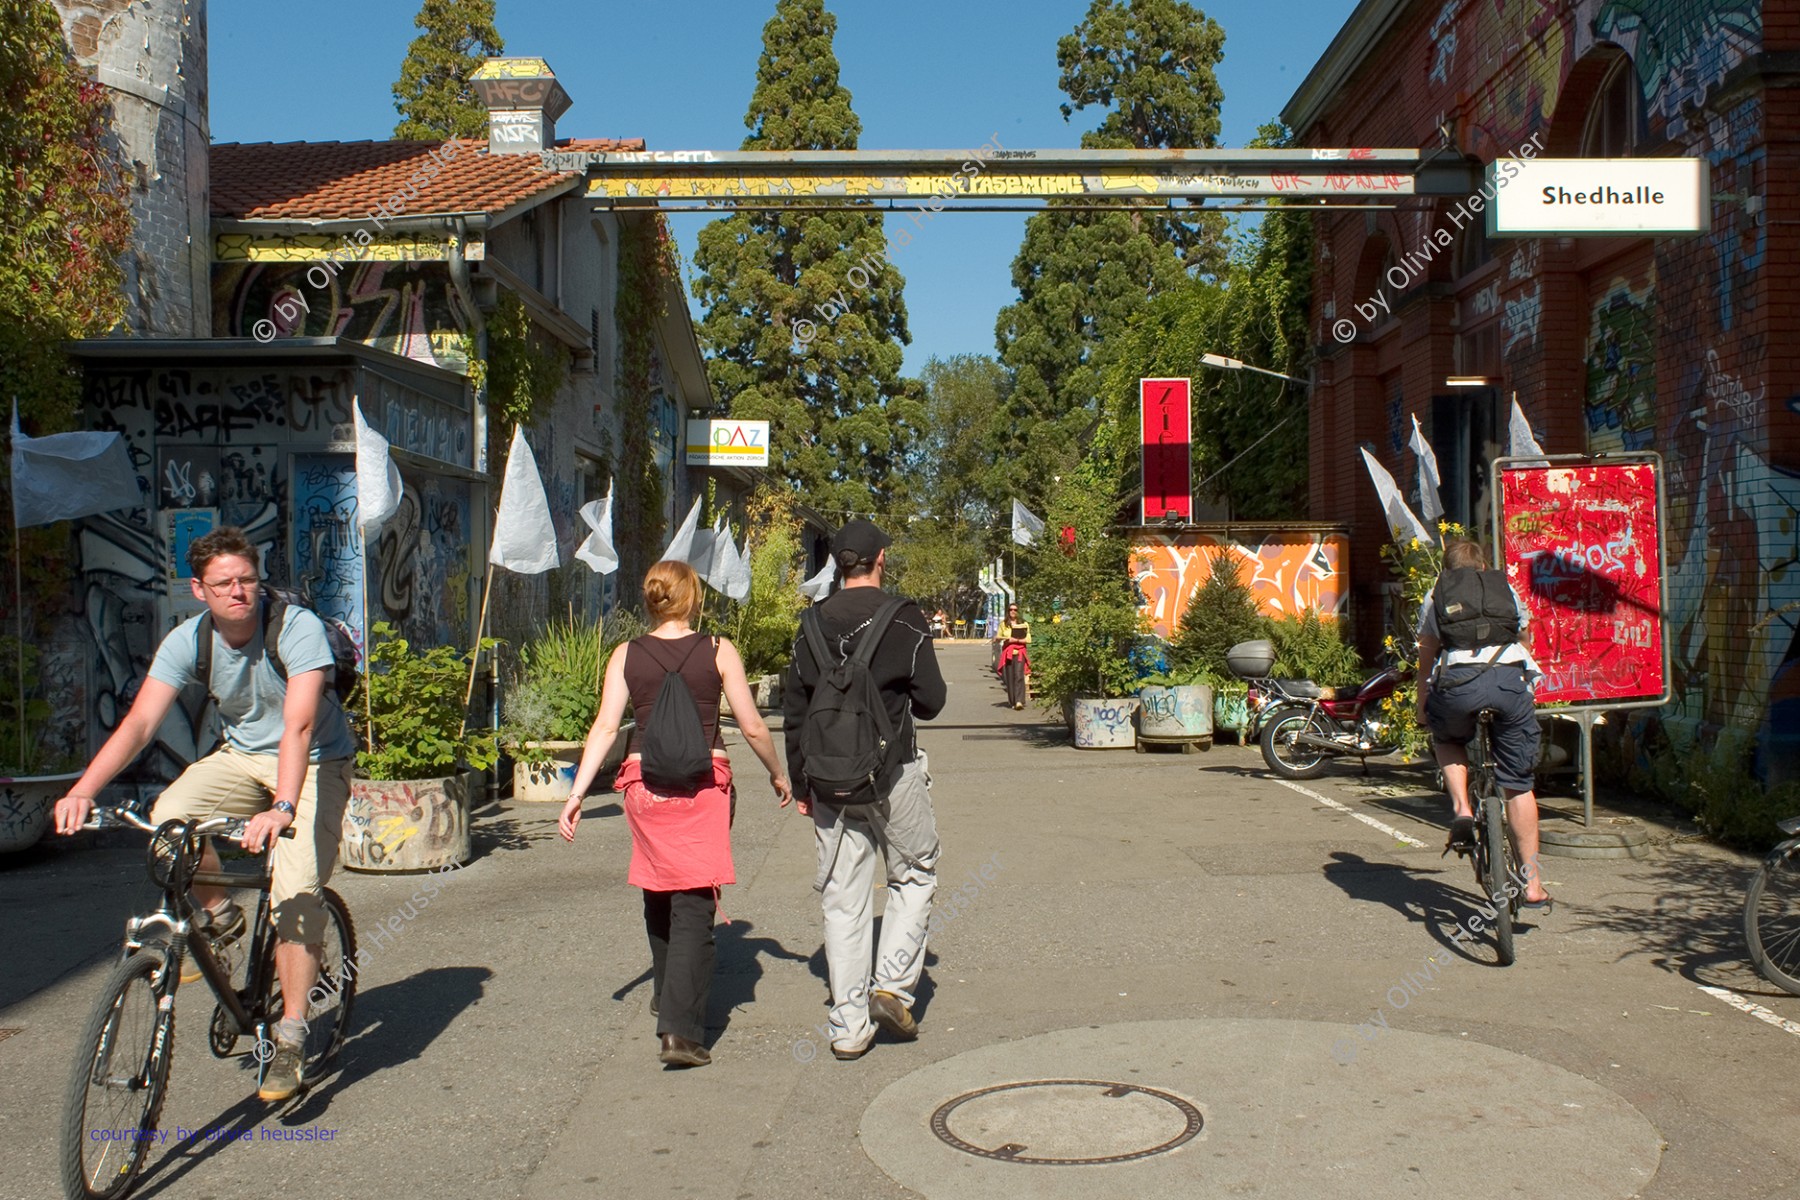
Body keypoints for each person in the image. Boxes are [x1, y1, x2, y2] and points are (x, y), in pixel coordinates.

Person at [53, 527, 357, 1102]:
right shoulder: (188, 640)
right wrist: (83, 789)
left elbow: (298, 726)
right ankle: (219, 919)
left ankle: (291, 1035)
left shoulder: (296, 629)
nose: (238, 592)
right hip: (242, 759)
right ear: (199, 589)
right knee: (169, 822)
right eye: (224, 584)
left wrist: (284, 808)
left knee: (294, 896)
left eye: (246, 579)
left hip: (315, 763)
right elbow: (140, 724)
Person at [559, 560, 793, 1068]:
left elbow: (604, 727)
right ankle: (681, 1033)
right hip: (703, 785)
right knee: (693, 900)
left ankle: (667, 993)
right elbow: (751, 725)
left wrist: (576, 794)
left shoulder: (626, 654)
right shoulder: (717, 650)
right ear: (693, 600)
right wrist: (778, 772)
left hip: (644, 787)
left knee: (659, 886)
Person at [783, 518, 946, 1060]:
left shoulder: (809, 625)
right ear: (879, 561)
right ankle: (892, 988)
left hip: (829, 782)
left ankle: (848, 1027)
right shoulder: (904, 619)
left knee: (843, 899)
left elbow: (795, 710)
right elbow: (931, 701)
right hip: (892, 772)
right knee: (914, 871)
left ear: (837, 564)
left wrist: (802, 781)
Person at [1415, 538, 1552, 909]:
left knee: (1446, 736)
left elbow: (1427, 655)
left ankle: (1462, 807)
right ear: (1483, 565)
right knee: (1519, 785)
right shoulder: (1504, 587)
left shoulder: (1436, 594)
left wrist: (1422, 704)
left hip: (1458, 686)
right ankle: (1534, 884)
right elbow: (1524, 636)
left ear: (1447, 567)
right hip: (1508, 683)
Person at [998, 603, 1032, 710]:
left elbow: (1029, 639)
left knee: (1019, 676)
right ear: (1008, 611)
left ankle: (1019, 701)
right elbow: (998, 636)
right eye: (1011, 609)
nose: (1013, 611)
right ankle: (1012, 701)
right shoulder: (1003, 624)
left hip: (1019, 652)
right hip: (1008, 653)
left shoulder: (1024, 624)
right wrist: (1007, 639)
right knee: (1010, 677)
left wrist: (1016, 640)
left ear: (1018, 611)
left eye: (1015, 610)